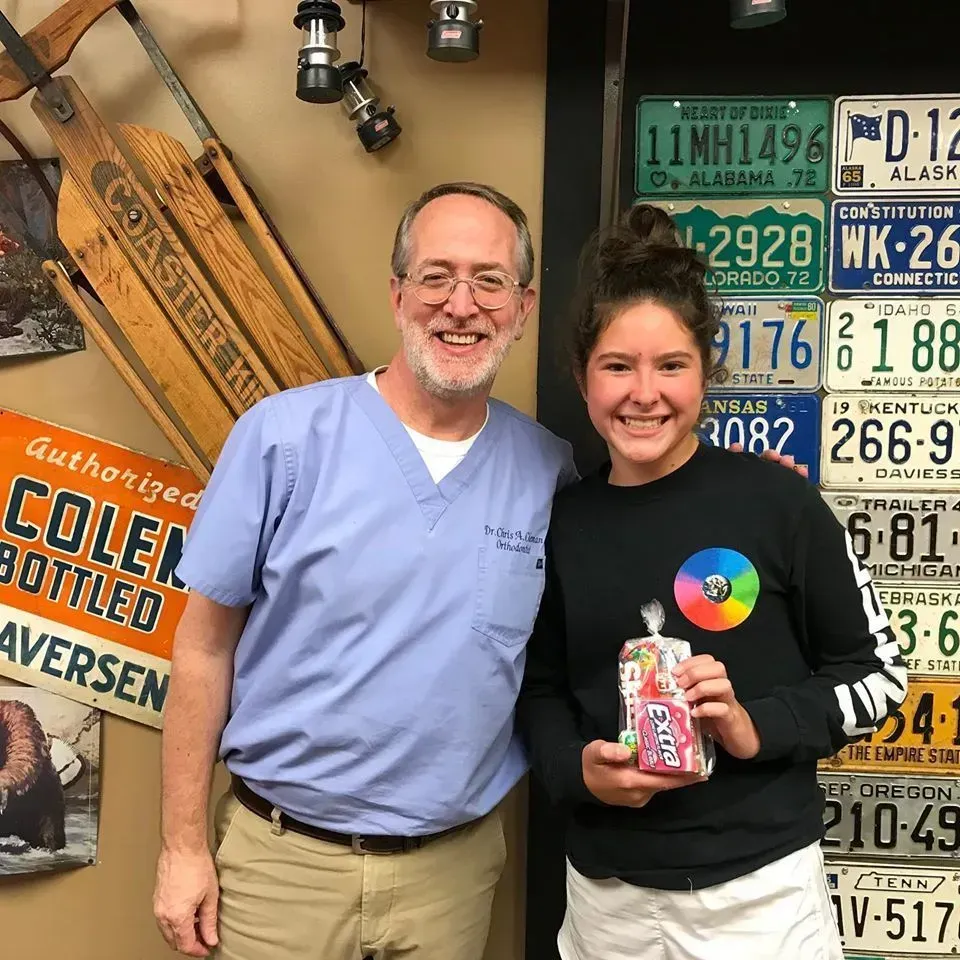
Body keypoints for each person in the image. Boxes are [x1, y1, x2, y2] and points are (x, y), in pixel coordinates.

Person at [151, 181, 578, 960]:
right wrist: (182, 849)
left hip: (450, 874)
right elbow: (201, 650)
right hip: (280, 867)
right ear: (397, 293)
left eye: (489, 280)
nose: (461, 305)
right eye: (436, 276)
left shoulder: (548, 472)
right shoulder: (282, 439)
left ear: (521, 306)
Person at [515, 204, 909, 960]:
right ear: (581, 375)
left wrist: (753, 725)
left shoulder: (778, 503)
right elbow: (539, 690)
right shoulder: (562, 522)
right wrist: (580, 772)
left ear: (707, 369)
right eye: (617, 366)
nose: (644, 393)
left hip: (759, 902)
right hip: (607, 903)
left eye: (671, 365)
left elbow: (882, 675)